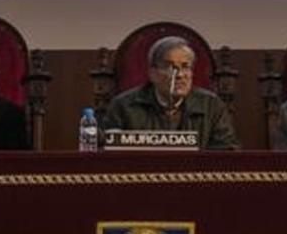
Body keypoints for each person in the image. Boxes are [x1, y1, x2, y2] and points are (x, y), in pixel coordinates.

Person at [101, 36, 238, 149]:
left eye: (185, 67)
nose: (179, 75)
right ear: (152, 73)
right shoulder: (123, 106)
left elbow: (227, 153)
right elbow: (106, 151)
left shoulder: (211, 105)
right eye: (170, 67)